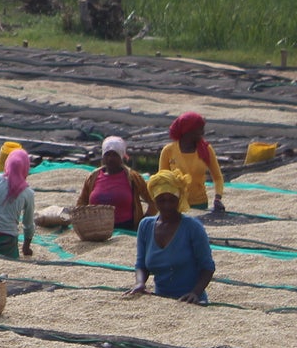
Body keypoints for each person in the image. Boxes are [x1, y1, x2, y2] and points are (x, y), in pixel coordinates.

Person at [128, 171, 215, 304]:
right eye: (161, 200)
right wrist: (140, 283)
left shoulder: (192, 227)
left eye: (171, 200)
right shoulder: (145, 226)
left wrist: (195, 293)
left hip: (191, 300)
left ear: (179, 199)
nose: (167, 205)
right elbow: (141, 265)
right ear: (154, 199)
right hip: (161, 299)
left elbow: (207, 267)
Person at [76, 136, 151, 233]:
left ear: (121, 157)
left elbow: (152, 201)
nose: (110, 159)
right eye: (107, 155)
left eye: (115, 155)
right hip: (97, 230)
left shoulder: (133, 178)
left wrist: (144, 221)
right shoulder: (93, 177)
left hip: (126, 230)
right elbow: (82, 202)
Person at [159, 112, 225, 214]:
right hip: (176, 205)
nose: (203, 132)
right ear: (188, 131)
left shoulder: (206, 150)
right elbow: (162, 180)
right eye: (200, 129)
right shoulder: (168, 151)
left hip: (200, 204)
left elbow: (217, 178)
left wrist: (218, 198)